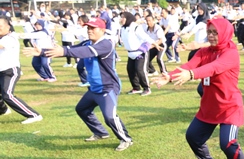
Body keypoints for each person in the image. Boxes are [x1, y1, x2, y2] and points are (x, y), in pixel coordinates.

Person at [153, 17, 244, 159]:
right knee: (193, 136)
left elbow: (214, 68)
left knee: (227, 143)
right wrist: (169, 76)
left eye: (216, 32)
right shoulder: (204, 51)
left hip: (230, 107)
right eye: (209, 32)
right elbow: (189, 65)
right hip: (209, 106)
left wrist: (191, 75)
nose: (212, 36)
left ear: (225, 33)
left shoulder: (231, 52)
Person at [35, 18, 133, 150]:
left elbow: (86, 52)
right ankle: (100, 132)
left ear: (102, 30)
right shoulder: (87, 42)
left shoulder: (106, 44)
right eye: (88, 28)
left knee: (110, 117)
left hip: (108, 87)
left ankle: (126, 139)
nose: (89, 30)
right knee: (82, 109)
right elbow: (71, 48)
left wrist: (64, 51)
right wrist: (41, 52)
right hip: (94, 88)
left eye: (93, 28)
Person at [0, 17, 43, 124]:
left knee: (7, 95)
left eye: (0, 26)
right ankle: (3, 110)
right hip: (1, 71)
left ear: (8, 26)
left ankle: (34, 115)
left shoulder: (10, 37)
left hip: (9, 71)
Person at [120, 12, 157, 96]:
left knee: (140, 70)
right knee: (130, 70)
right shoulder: (123, 28)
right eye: (121, 17)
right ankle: (136, 88)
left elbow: (145, 37)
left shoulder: (135, 27)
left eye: (123, 17)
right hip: (131, 53)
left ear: (128, 18)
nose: (121, 19)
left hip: (140, 52)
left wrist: (155, 43)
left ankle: (147, 88)